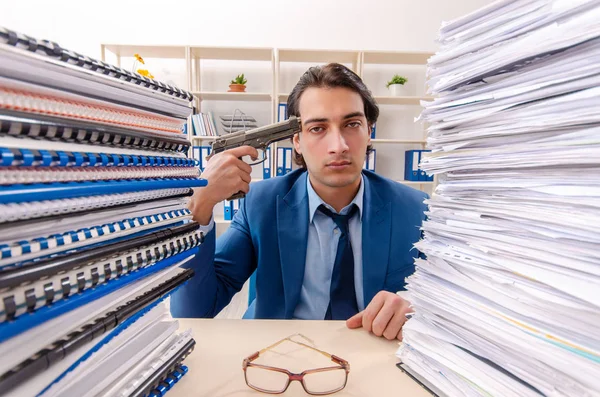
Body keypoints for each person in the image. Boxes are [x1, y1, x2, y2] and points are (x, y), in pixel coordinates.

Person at [170, 63, 428, 341]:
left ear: (369, 131)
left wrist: (418, 309)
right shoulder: (261, 204)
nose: (338, 145)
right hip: (276, 355)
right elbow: (193, 310)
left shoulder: (416, 209)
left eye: (352, 124)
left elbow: (454, 301)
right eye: (318, 128)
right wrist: (200, 204)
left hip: (374, 354)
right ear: (296, 141)